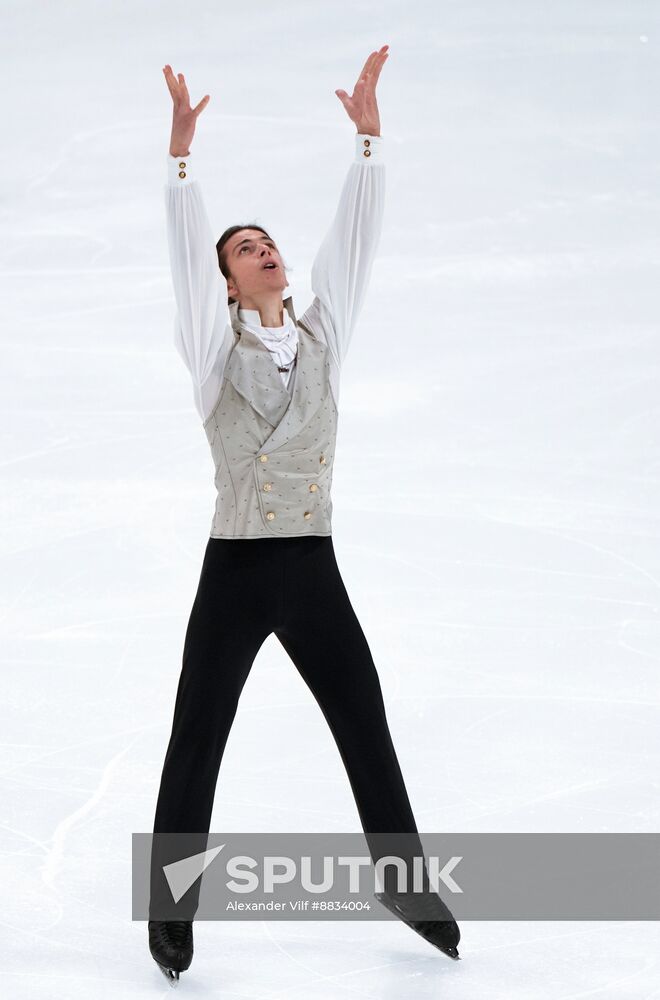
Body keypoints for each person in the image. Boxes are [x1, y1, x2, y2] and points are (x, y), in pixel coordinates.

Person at [148, 48, 461, 985]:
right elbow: (183, 263)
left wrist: (368, 144)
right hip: (238, 567)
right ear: (228, 283)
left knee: (363, 720)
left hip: (311, 565)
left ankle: (406, 886)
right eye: (244, 250)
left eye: (268, 241)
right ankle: (171, 913)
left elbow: (353, 248)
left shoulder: (325, 331)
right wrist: (180, 164)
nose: (266, 251)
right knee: (197, 734)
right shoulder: (212, 347)